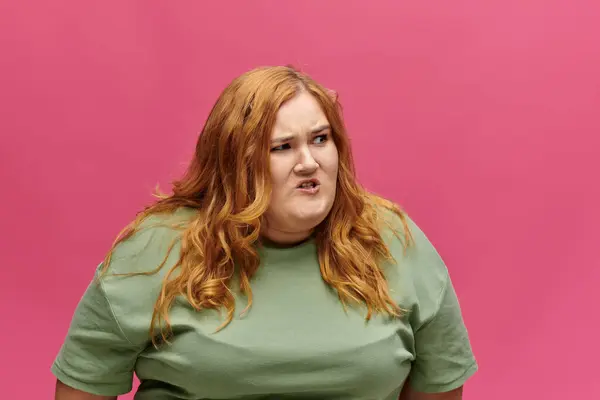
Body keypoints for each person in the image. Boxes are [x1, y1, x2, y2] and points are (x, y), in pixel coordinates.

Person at [52, 65, 477, 400]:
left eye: (320, 139)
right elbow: (85, 383)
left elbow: (440, 383)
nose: (309, 162)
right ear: (235, 162)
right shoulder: (156, 248)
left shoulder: (394, 241)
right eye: (282, 147)